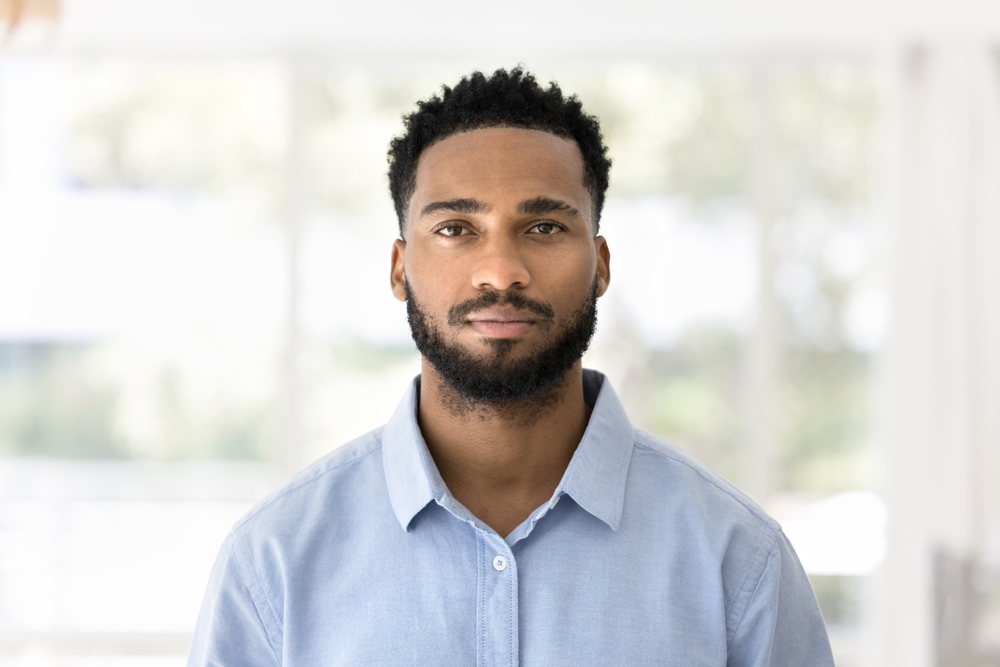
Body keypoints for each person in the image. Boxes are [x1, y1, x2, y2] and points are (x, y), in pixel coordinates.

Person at [188, 68, 834, 666]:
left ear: (601, 265)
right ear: (399, 269)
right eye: (455, 228)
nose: (500, 272)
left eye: (544, 227)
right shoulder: (273, 563)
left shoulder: (737, 560)